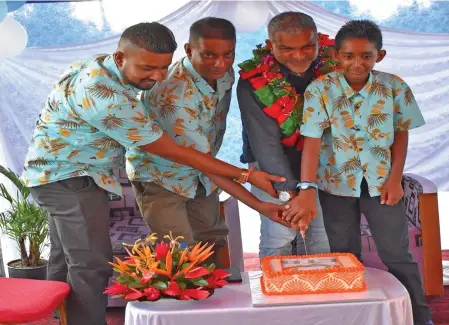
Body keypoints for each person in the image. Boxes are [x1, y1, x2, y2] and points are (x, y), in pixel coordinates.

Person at [21, 22, 285, 325]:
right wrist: (247, 177)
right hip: (71, 179)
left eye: (163, 67)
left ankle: (58, 318)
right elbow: (173, 151)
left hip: (63, 174)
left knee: (65, 258)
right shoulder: (107, 95)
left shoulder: (100, 66)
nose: (159, 77)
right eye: (149, 68)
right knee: (90, 264)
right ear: (121, 58)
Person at [283, 20, 433, 325]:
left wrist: (394, 179)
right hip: (334, 186)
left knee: (397, 254)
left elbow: (401, 134)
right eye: (349, 55)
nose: (357, 63)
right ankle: (355, 315)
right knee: (345, 255)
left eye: (366, 55)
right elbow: (311, 143)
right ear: (337, 55)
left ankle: (419, 317)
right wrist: (308, 187)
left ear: (380, 55)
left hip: (382, 184)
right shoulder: (320, 90)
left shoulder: (394, 87)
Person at [126, 18, 288, 267]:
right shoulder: (173, 95)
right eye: (209, 55)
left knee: (211, 241)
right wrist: (256, 200)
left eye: (228, 54)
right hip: (162, 178)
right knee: (177, 255)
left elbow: (204, 163)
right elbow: (200, 162)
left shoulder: (224, 73)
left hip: (202, 174)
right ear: (189, 50)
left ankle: (215, 302)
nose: (220, 64)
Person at [237, 12, 329, 258]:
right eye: (288, 49)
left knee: (320, 235)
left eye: (308, 46)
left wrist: (308, 191)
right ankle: (276, 291)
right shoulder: (252, 81)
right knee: (281, 232)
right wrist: (290, 194)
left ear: (318, 40)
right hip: (271, 167)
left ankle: (324, 291)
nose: (299, 56)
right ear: (270, 45)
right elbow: (265, 144)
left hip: (320, 161)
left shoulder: (333, 68)